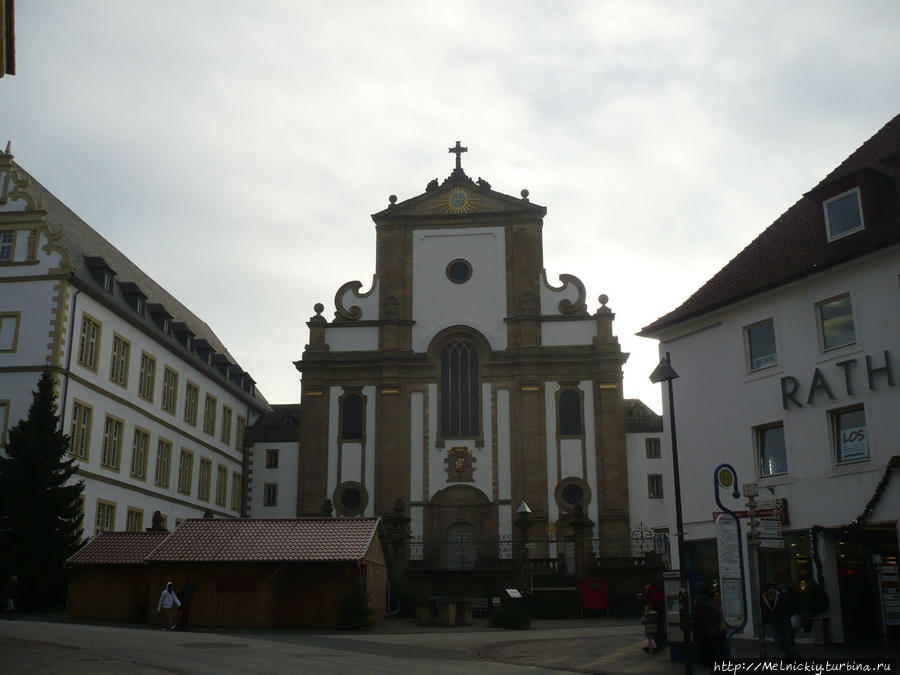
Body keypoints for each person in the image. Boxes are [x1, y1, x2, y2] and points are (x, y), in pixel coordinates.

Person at [761, 582, 798, 658]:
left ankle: (791, 656)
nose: (772, 590)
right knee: (778, 641)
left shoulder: (782, 596)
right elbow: (763, 611)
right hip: (774, 623)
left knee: (787, 640)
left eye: (772, 588)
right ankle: (791, 655)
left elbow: (789, 607)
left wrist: (786, 617)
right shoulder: (763, 599)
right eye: (770, 589)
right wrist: (766, 621)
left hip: (784, 621)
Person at [693, 585, 726, 666]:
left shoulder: (698, 600)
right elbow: (715, 615)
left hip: (702, 628)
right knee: (713, 647)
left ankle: (706, 662)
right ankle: (714, 663)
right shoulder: (709, 602)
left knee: (705, 647)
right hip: (711, 628)